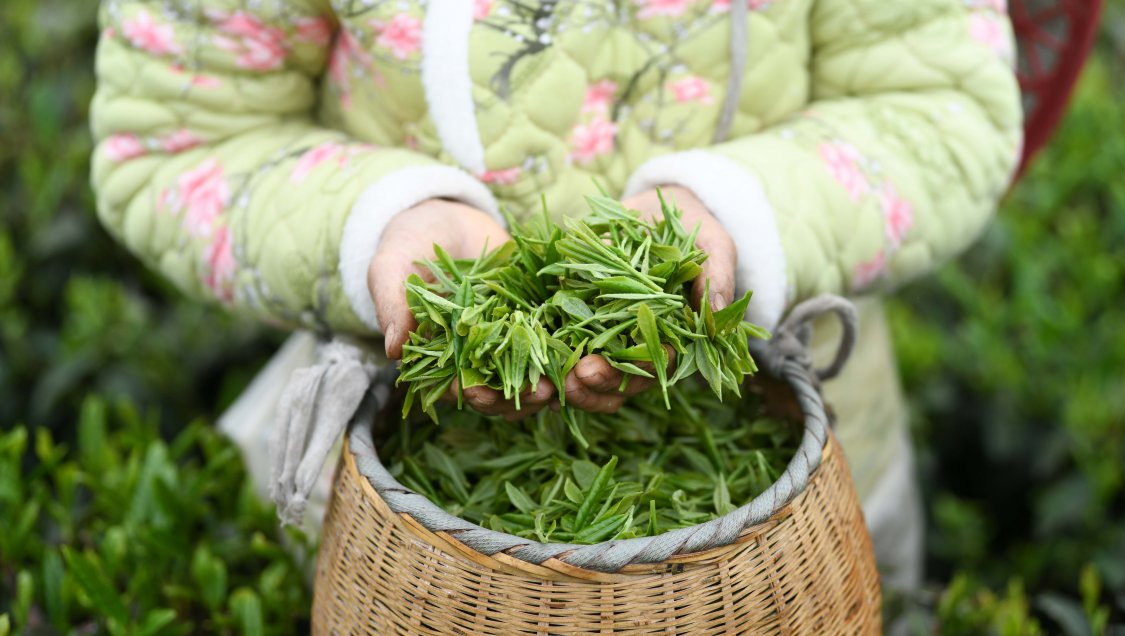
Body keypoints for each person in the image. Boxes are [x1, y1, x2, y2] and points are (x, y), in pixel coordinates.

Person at [90, 0, 1022, 597]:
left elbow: (941, 106)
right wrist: (382, 223)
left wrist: (736, 215)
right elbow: (176, 140)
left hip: (789, 455)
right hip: (405, 476)